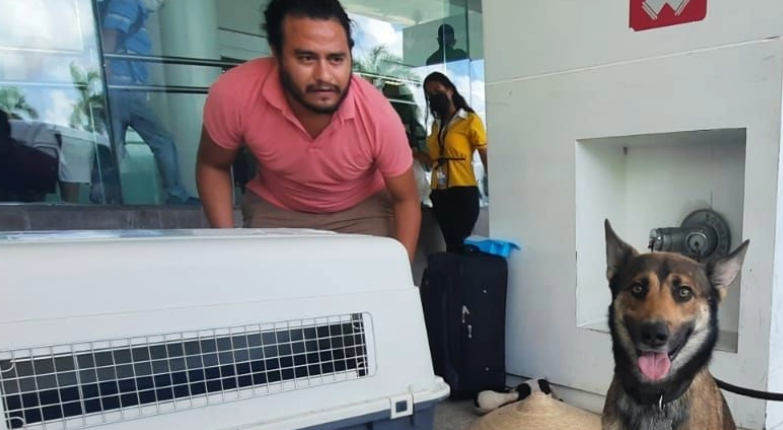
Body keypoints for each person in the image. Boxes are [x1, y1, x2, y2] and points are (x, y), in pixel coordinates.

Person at [195, 0, 422, 262]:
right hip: (277, 209)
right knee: (265, 295)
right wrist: (227, 247)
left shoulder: (378, 115)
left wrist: (398, 276)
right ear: (277, 54)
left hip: (361, 210)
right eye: (306, 58)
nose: (324, 75)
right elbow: (213, 166)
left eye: (336, 59)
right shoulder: (234, 94)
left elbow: (406, 199)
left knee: (369, 296)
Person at [93, 0, 197, 205]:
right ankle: (176, 195)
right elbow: (110, 33)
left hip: (119, 86)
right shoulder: (127, 3)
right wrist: (104, 68)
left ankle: (101, 196)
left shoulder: (133, 8)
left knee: (111, 143)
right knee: (162, 141)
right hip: (124, 86)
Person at [413, 71, 488, 253]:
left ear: (450, 90)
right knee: (451, 244)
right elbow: (434, 162)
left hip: (462, 189)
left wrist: (490, 181)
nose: (434, 97)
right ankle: (456, 279)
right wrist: (413, 152)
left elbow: (484, 153)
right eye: (430, 95)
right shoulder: (436, 125)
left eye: (438, 90)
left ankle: (463, 278)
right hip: (440, 193)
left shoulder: (469, 119)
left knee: (460, 243)